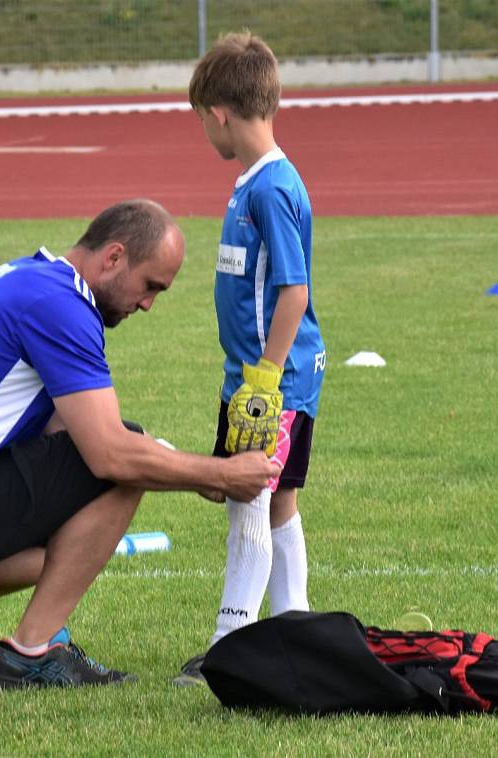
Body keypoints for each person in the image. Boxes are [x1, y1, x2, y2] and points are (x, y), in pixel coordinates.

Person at [0, 198, 279, 690]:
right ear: (113, 258)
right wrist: (219, 474)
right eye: (150, 286)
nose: (147, 304)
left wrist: (178, 465)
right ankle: (32, 653)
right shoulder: (61, 307)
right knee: (123, 466)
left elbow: (61, 428)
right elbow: (111, 454)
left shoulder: (33, 279)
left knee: (71, 540)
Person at [173, 33, 327, 686]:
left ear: (219, 113)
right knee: (280, 499)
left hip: (271, 384)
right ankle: (298, 630)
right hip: (258, 378)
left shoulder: (269, 189)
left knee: (248, 502)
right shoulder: (252, 182)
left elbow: (294, 289)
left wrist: (265, 375)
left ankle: (228, 646)